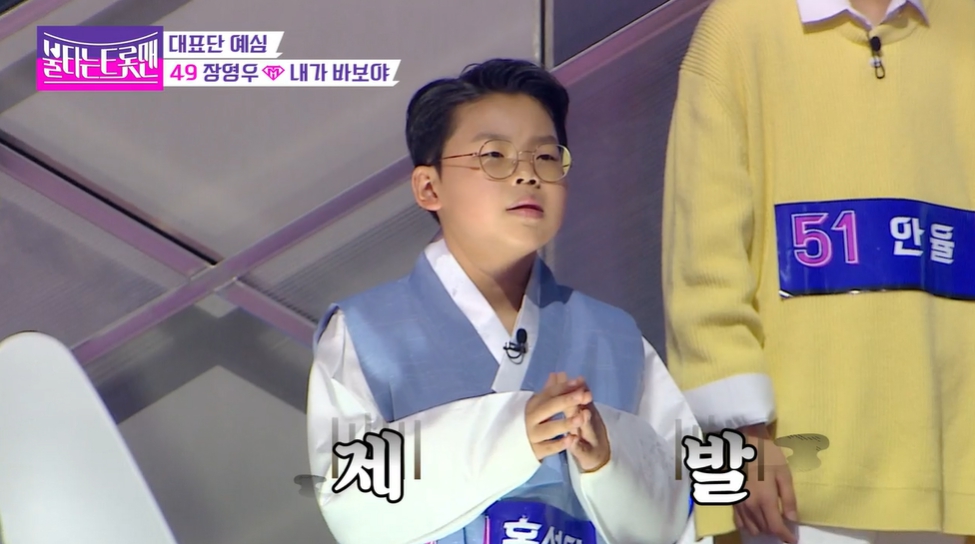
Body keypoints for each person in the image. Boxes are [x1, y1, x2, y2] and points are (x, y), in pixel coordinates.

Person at [306, 58, 696, 544]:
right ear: (429, 187)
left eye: (546, 157)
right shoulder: (366, 333)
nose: (528, 175)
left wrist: (609, 457)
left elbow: (683, 507)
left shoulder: (616, 337)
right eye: (494, 155)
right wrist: (512, 434)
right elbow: (351, 503)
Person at [661, 0, 975, 543]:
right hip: (789, 481)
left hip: (951, 474)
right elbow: (702, 262)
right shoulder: (738, 27)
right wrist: (741, 436)